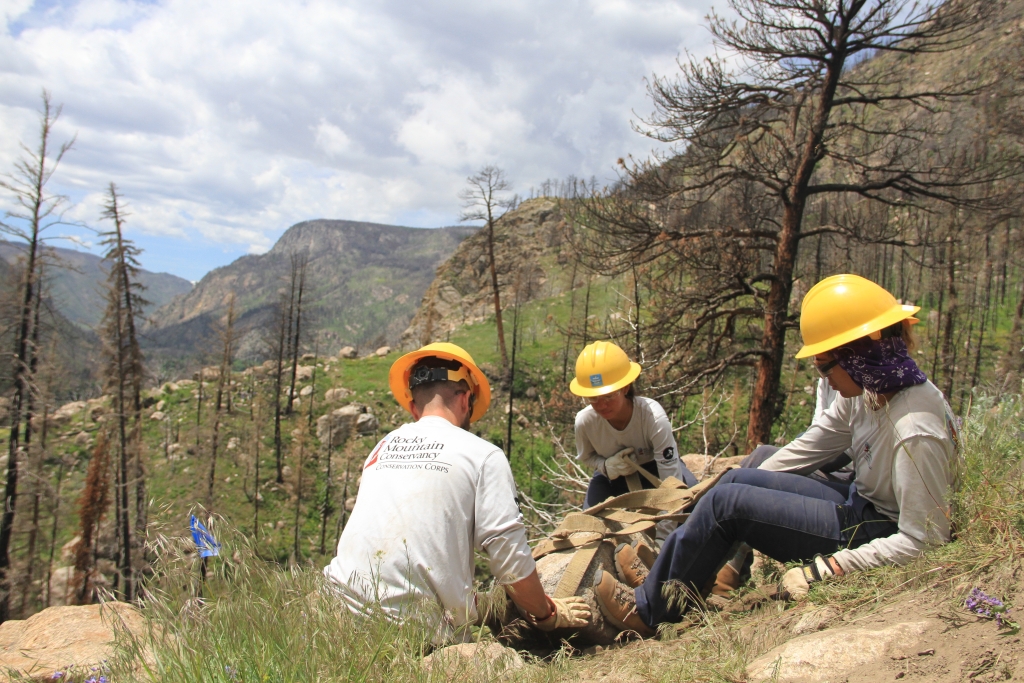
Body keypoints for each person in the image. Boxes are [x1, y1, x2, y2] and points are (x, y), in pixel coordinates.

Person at [592, 274, 960, 636]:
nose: (825, 379)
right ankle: (677, 578)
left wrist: (832, 567)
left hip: (874, 531)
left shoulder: (914, 429)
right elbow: (814, 444)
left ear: (855, 356)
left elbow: (924, 538)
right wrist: (759, 485)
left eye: (824, 366)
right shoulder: (875, 388)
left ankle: (648, 610)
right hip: (859, 503)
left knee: (729, 504)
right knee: (735, 481)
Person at [324, 342, 590, 642]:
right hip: (411, 635)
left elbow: (409, 561)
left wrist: (480, 606)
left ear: (413, 407)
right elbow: (510, 562)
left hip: (333, 619)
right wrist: (547, 614)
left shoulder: (381, 448)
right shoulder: (483, 456)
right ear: (465, 400)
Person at [569, 340, 698, 513]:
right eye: (593, 398)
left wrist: (664, 536)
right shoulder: (585, 422)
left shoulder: (653, 418)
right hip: (611, 477)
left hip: (656, 468)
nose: (601, 405)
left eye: (608, 396)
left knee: (692, 503)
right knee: (590, 521)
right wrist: (606, 466)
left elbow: (670, 478)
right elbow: (586, 456)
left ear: (625, 387)